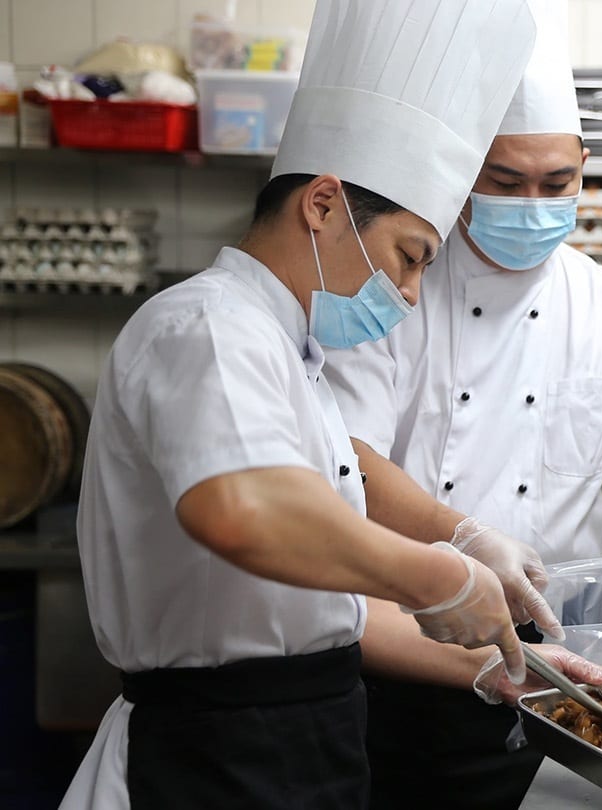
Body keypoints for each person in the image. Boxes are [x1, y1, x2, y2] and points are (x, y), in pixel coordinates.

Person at [58, 2, 545, 806]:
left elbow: (334, 615)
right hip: (208, 764)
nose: (411, 295)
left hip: (299, 747)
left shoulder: (293, 355)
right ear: (321, 205)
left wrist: (502, 667)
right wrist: (438, 572)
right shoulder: (208, 326)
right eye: (409, 258)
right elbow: (243, 510)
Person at [324, 1, 602, 806]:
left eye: (557, 182)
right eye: (505, 181)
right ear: (460, 174)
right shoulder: (396, 284)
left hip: (562, 659)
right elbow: (348, 458)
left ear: (585, 166)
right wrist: (462, 534)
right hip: (406, 634)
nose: (533, 202)